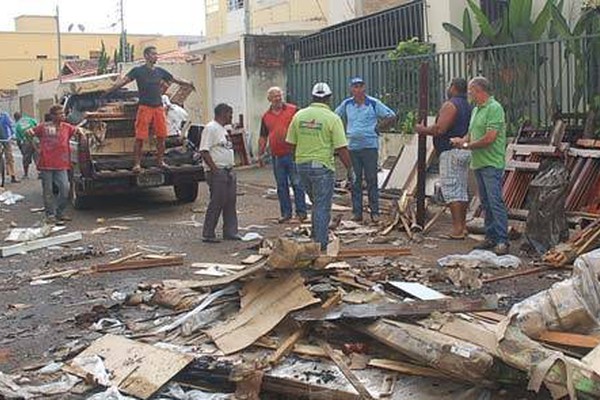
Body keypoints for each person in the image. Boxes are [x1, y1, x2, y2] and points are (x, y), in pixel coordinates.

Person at [105, 46, 194, 172]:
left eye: (156, 54)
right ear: (146, 56)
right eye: (153, 54)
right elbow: (123, 81)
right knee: (140, 137)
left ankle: (160, 161)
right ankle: (137, 164)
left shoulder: (160, 71)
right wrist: (108, 90)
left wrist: (188, 83)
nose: (156, 56)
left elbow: (175, 79)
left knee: (162, 136)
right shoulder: (137, 71)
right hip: (144, 107)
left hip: (158, 108)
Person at [286, 82, 353, 251]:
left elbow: (291, 143)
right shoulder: (332, 118)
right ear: (329, 98)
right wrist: (350, 169)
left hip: (302, 165)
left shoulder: (299, 116)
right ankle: (320, 243)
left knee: (317, 204)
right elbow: (341, 148)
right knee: (322, 205)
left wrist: (299, 159)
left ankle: (316, 236)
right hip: (322, 167)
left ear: (313, 96)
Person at [450, 77, 509, 255]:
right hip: (479, 162)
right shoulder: (476, 109)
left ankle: (502, 240)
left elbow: (490, 138)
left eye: (471, 91)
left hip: (491, 162)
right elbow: (471, 133)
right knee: (486, 202)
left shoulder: (494, 108)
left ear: (479, 90)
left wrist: (467, 145)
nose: (469, 94)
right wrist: (462, 140)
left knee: (495, 201)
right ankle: (491, 237)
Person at [416, 78, 472, 239]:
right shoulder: (468, 106)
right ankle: (463, 227)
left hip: (450, 151)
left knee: (452, 190)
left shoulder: (450, 105)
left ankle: (457, 229)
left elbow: (440, 129)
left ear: (453, 88)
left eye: (449, 86)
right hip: (463, 150)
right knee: (461, 189)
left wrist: (422, 129)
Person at [335, 77, 396, 224]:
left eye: (360, 86)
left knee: (371, 180)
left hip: (369, 147)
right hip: (352, 148)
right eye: (355, 87)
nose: (358, 89)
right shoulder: (347, 104)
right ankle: (357, 213)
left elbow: (391, 116)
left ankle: (374, 212)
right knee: (355, 180)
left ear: (364, 88)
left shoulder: (373, 103)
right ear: (351, 89)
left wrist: (379, 127)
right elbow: (334, 117)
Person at [258, 86, 307, 223]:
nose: (278, 98)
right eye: (275, 96)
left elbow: (303, 128)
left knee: (297, 183)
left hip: (293, 154)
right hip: (276, 156)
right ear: (269, 99)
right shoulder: (266, 117)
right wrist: (260, 154)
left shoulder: (294, 110)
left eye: (279, 95)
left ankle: (301, 213)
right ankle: (286, 214)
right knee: (281, 186)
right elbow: (263, 136)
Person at [31, 105, 81, 225]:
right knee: (48, 191)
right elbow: (30, 133)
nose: (62, 115)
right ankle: (50, 215)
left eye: (63, 113)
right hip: (46, 164)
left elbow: (78, 131)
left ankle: (60, 212)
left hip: (62, 164)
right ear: (53, 116)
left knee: (65, 189)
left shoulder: (67, 127)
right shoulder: (44, 127)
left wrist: (82, 130)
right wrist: (37, 148)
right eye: (59, 114)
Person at [200, 103, 240, 243]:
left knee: (230, 202)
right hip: (218, 171)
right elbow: (204, 151)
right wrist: (215, 170)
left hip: (228, 170)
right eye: (230, 114)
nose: (231, 117)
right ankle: (208, 233)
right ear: (223, 113)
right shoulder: (211, 128)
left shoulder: (223, 129)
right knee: (217, 201)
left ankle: (230, 232)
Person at [13, 112, 39, 179]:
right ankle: (40, 173)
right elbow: (37, 126)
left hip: (26, 141)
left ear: (15, 118)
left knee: (26, 158)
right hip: (35, 139)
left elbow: (18, 138)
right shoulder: (30, 119)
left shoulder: (17, 125)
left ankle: (26, 174)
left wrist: (21, 149)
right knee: (37, 157)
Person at [0, 110, 19, 183]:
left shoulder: (4, 115)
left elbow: (11, 125)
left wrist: (12, 135)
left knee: (9, 157)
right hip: (3, 139)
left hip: (6, 139)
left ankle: (12, 175)